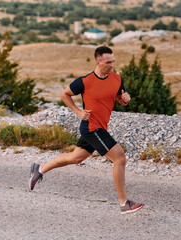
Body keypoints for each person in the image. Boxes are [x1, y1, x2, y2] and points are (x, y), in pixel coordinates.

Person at [29, 46, 144, 215]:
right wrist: (78, 111)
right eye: (108, 62)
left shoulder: (117, 79)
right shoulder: (85, 81)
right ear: (98, 62)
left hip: (101, 126)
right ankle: (124, 203)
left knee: (75, 158)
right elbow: (64, 94)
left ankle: (39, 169)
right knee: (120, 158)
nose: (112, 65)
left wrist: (125, 100)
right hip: (91, 127)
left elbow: (120, 99)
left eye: (113, 61)